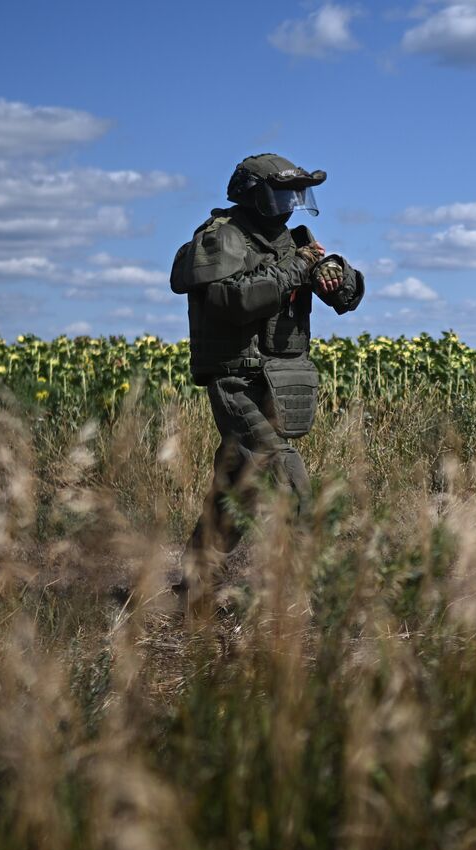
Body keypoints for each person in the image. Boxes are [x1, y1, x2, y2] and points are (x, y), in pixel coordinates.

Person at [169, 153, 364, 606]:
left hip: (277, 379)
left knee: (235, 491)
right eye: (280, 194)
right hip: (236, 380)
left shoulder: (293, 241)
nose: (290, 205)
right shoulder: (221, 239)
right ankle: (309, 594)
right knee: (284, 470)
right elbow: (233, 301)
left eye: (296, 195)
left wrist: (338, 275)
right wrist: (298, 268)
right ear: (253, 195)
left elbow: (345, 298)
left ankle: (193, 588)